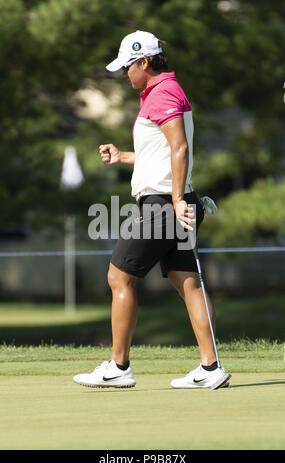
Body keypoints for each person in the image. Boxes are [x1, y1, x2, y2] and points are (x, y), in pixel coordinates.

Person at [73, 31, 231, 390]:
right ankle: (210, 368)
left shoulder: (162, 94)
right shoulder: (162, 93)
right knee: (187, 281)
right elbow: (162, 153)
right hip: (175, 201)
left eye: (128, 66)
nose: (125, 74)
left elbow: (180, 148)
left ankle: (118, 365)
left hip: (162, 205)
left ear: (144, 62)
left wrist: (175, 200)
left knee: (119, 277)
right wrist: (124, 156)